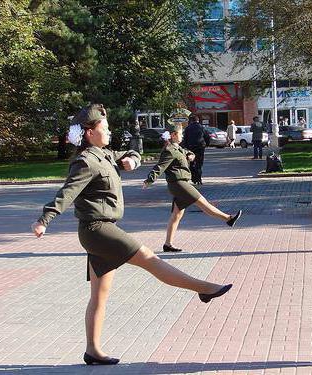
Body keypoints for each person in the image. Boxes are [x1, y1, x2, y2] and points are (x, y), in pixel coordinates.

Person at [31, 104, 233, 366]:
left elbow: (131, 152)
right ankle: (203, 288)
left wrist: (132, 160)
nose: (108, 130)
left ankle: (92, 350)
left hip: (101, 229)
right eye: (104, 128)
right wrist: (45, 219)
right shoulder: (85, 161)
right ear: (90, 133)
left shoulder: (104, 155)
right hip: (97, 229)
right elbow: (66, 193)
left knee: (99, 294)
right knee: (148, 257)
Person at [144, 122, 242, 253]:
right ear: (173, 135)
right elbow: (160, 167)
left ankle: (167, 244)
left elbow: (188, 152)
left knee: (176, 215)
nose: (182, 135)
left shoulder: (178, 148)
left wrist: (191, 155)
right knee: (203, 203)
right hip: (179, 184)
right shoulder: (169, 150)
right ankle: (228, 219)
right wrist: (149, 180)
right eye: (181, 133)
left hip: (181, 183)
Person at [182, 115, 208, 185]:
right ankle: (199, 179)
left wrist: (185, 147)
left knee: (191, 163)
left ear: (191, 121)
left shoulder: (188, 128)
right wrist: (206, 145)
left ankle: (194, 178)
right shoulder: (202, 127)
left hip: (190, 148)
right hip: (200, 148)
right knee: (199, 164)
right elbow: (207, 137)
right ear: (198, 120)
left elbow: (185, 138)